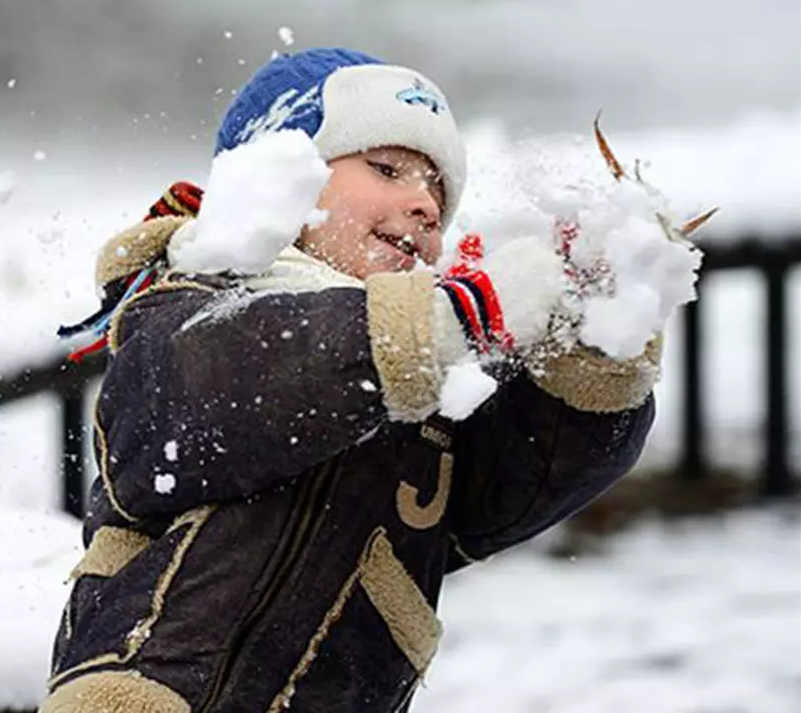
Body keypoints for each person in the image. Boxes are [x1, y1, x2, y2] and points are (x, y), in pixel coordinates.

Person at [40, 48, 663, 713]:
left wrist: (596, 344)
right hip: (148, 692)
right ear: (277, 181)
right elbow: (255, 377)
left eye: (437, 193)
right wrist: (458, 317)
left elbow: (525, 475)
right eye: (386, 169)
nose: (423, 205)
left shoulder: (426, 381)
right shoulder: (187, 302)